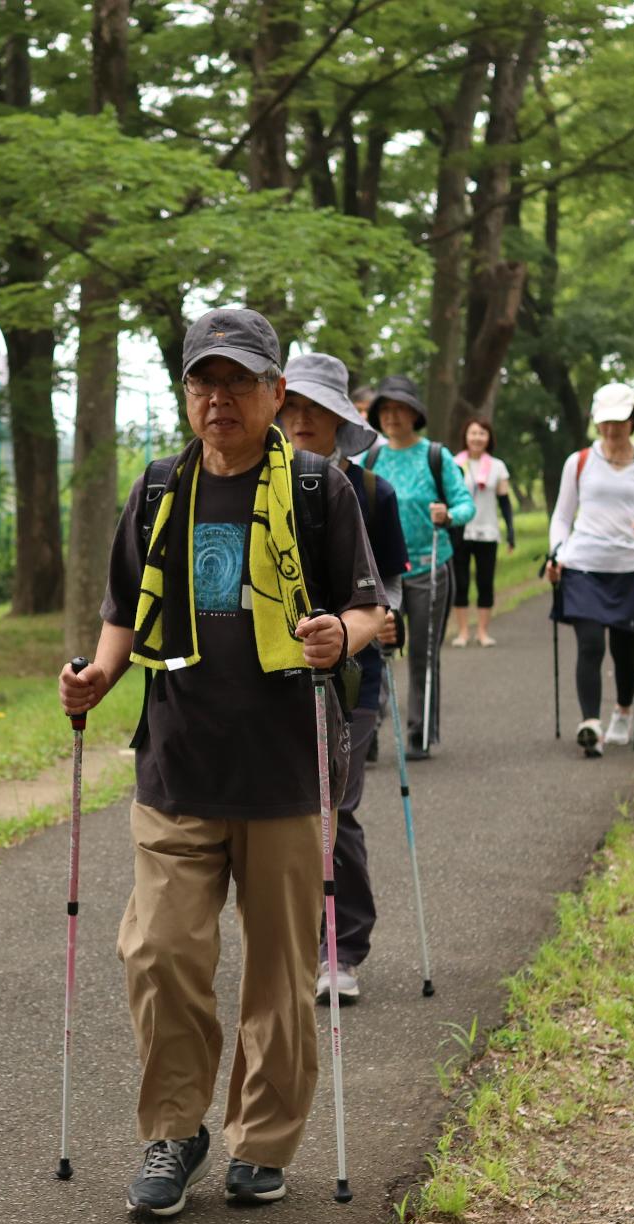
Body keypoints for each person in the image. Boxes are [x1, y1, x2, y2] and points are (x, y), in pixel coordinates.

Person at [57, 308, 382, 1218]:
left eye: (238, 382)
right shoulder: (161, 490)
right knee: (159, 950)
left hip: (285, 770)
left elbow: (369, 610)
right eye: (204, 382)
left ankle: (263, 1142)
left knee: (280, 968)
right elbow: (125, 611)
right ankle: (174, 1131)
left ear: (278, 393)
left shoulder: (320, 490)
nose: (219, 400)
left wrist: (336, 635)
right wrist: (98, 675)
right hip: (179, 764)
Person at [280, 353, 407, 1006]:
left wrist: (378, 621)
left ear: (340, 419)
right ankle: (299, 940)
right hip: (274, 680)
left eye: (316, 409)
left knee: (336, 810)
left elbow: (388, 584)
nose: (302, 420)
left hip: (355, 679)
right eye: (291, 407)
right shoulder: (260, 487)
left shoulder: (373, 493)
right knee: (290, 816)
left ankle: (344, 945)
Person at [545, 382, 634, 759]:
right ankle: (591, 726)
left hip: (630, 568)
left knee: (624, 649)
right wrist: (557, 553)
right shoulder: (579, 462)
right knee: (590, 644)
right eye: (605, 423)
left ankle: (623, 711)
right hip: (583, 565)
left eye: (619, 422)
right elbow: (562, 517)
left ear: (632, 421)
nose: (612, 430)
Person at [360, 374, 473, 760]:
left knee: (424, 653)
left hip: (430, 567)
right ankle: (367, 734)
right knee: (375, 650)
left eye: (399, 408)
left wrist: (449, 515)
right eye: (385, 409)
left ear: (414, 413)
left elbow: (465, 504)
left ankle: (420, 733)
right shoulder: (369, 459)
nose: (391, 416)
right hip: (382, 571)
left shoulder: (436, 456)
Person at [448, 418, 514, 648]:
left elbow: (505, 502)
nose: (477, 438)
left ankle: (483, 632)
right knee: (461, 583)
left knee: (485, 582)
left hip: (488, 532)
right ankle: (464, 632)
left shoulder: (497, 466)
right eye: (473, 433)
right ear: (466, 436)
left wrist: (511, 532)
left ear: (489, 438)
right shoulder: (453, 463)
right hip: (460, 532)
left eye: (482, 433)